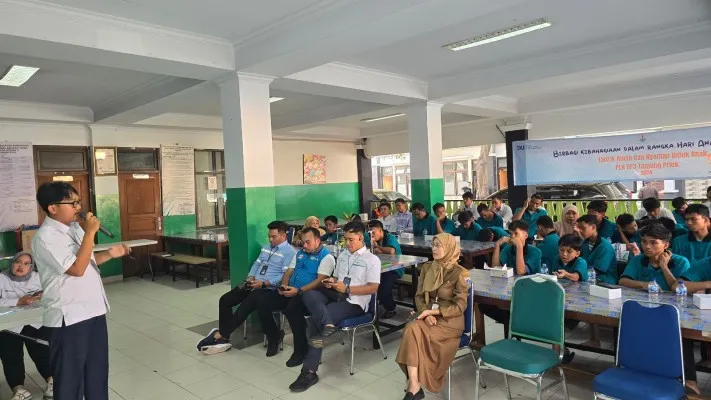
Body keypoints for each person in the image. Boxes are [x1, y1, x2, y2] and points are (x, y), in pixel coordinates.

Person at [32, 182, 131, 400]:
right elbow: (76, 269)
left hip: (94, 311)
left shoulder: (75, 228)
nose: (79, 207)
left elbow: (87, 261)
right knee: (69, 379)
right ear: (53, 208)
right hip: (69, 317)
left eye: (79, 202)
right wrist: (90, 234)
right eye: (73, 202)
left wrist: (110, 255)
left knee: (97, 372)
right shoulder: (45, 237)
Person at [288, 221, 380, 393]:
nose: (348, 243)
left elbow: (373, 288)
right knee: (309, 293)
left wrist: (347, 289)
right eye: (345, 239)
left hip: (355, 301)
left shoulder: (372, 260)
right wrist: (331, 282)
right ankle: (329, 325)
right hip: (337, 294)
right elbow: (337, 277)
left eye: (351, 239)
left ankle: (308, 371)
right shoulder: (343, 255)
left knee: (317, 321)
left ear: (361, 237)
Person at [197, 221, 296, 356]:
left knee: (252, 300)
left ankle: (221, 335)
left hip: (271, 288)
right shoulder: (266, 248)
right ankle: (224, 336)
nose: (270, 239)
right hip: (254, 283)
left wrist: (264, 283)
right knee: (225, 300)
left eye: (274, 237)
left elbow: (285, 275)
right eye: (269, 236)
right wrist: (250, 277)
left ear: (284, 236)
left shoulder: (289, 252)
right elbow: (257, 263)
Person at [396, 234, 469, 398]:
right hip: (428, 315)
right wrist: (424, 312)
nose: (434, 249)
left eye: (439, 245)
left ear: (449, 248)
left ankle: (414, 386)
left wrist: (433, 312)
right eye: (433, 245)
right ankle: (414, 386)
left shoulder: (460, 273)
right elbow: (419, 296)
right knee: (411, 329)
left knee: (412, 330)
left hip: (450, 321)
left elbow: (460, 306)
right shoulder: (428, 268)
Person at [265, 227, 335, 367]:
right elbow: (289, 272)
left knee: (292, 309)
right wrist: (284, 286)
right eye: (303, 242)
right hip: (291, 291)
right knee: (263, 301)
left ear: (317, 240)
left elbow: (320, 281)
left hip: (309, 294)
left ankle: (301, 350)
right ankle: (275, 337)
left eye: (308, 242)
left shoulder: (327, 257)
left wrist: (298, 290)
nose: (305, 245)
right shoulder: (300, 254)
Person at [0, 252, 53, 400]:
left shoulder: (37, 278)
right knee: (11, 356)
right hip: (9, 325)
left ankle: (51, 380)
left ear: (31, 266)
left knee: (42, 351)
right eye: (18, 262)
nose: (21, 266)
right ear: (12, 263)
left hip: (34, 321)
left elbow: (51, 296)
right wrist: (17, 301)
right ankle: (19, 389)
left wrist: (44, 297)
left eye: (26, 263)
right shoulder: (1, 278)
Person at [479, 221, 541, 337]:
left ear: (525, 236)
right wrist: (497, 245)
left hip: (530, 292)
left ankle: (512, 329)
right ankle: (511, 327)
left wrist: (519, 247)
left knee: (511, 312)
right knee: (483, 305)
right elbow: (495, 267)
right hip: (510, 290)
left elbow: (521, 271)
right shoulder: (508, 249)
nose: (512, 237)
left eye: (516, 234)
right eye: (510, 234)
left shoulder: (535, 252)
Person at [619, 223, 690, 292]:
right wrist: (644, 285)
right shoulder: (637, 259)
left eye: (653, 243)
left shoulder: (681, 262)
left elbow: (680, 289)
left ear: (666, 245)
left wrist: (664, 267)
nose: (647, 246)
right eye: (644, 241)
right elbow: (623, 281)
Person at [368, 219, 402, 319]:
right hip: (381, 268)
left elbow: (391, 251)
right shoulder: (374, 239)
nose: (372, 235)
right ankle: (372, 307)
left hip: (395, 268)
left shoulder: (390, 237)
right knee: (369, 282)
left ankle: (391, 308)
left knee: (384, 286)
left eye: (373, 232)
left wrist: (378, 247)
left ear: (380, 230)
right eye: (370, 233)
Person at [578, 215, 618, 284]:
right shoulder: (585, 243)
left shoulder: (605, 246)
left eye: (583, 228)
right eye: (579, 228)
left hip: (605, 279)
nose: (580, 231)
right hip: (588, 276)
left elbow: (598, 270)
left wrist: (578, 275)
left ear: (593, 227)